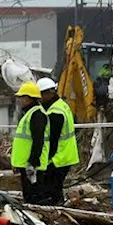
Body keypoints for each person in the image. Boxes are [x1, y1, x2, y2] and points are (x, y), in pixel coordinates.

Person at [37, 77, 79, 205]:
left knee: (50, 190)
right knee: (55, 188)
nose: (39, 99)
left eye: (40, 95)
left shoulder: (55, 112)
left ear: (48, 93)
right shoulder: (62, 105)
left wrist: (45, 160)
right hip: (66, 155)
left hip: (58, 157)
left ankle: (54, 211)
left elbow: (53, 139)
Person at [11, 81, 48, 204]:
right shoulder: (30, 114)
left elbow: (38, 140)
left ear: (28, 98)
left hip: (32, 165)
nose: (20, 100)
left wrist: (32, 162)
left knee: (34, 197)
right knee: (29, 196)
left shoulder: (37, 115)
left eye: (21, 97)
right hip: (27, 164)